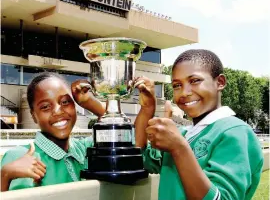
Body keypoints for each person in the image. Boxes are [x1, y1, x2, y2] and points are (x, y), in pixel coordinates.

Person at [136, 49, 264, 200]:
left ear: (220, 82)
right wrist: (147, 109)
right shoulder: (184, 134)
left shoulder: (235, 132)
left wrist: (179, 148)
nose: (184, 92)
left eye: (195, 81)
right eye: (177, 85)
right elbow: (141, 159)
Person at [0, 73, 156, 191]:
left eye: (65, 102)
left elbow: (130, 145)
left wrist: (89, 102)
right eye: (45, 107)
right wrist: (4, 176)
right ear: (33, 115)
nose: (58, 111)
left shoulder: (85, 149)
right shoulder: (22, 156)